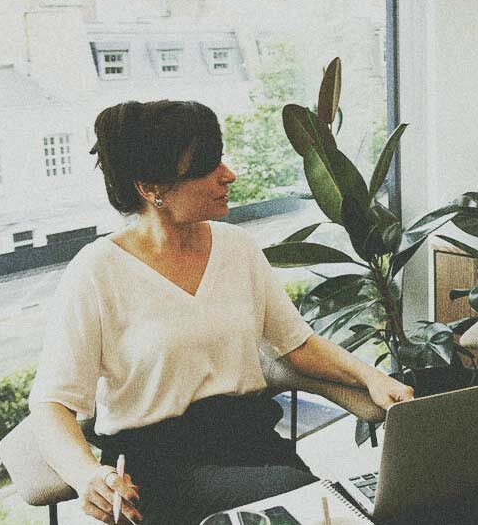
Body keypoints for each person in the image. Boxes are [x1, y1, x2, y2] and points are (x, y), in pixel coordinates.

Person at [28, 100, 413, 525]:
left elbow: (297, 344)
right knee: (306, 503)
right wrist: (86, 475)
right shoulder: (97, 271)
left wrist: (373, 378)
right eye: (208, 165)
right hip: (160, 472)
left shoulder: (237, 247)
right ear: (152, 187)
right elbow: (52, 404)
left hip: (256, 448)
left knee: (318, 506)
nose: (228, 174)